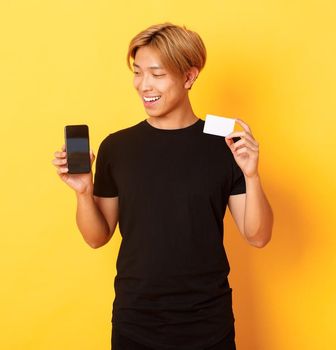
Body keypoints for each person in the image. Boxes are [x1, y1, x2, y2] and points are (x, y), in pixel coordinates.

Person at [51, 22, 274, 349]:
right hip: (135, 321)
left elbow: (258, 236)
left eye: (157, 74)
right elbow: (97, 237)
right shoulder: (118, 147)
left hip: (208, 323)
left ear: (189, 77)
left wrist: (252, 175)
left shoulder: (224, 143)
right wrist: (83, 192)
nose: (144, 85)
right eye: (138, 72)